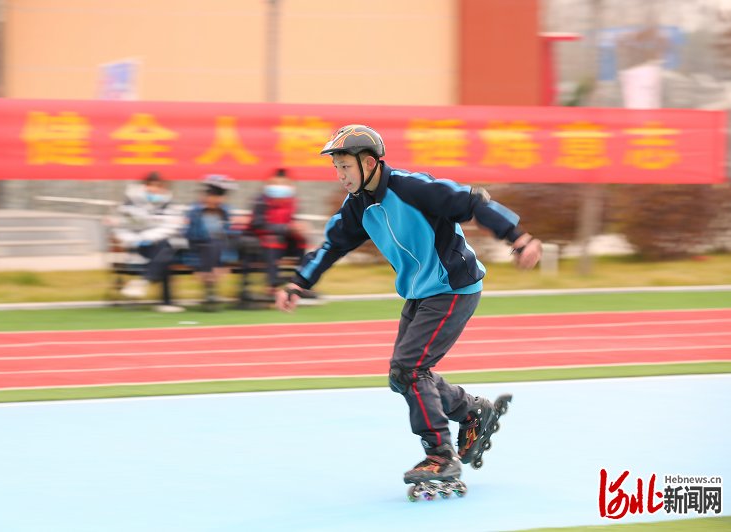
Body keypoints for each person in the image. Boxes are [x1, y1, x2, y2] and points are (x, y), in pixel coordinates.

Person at [275, 125, 542, 486]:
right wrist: (298, 282)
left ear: (368, 162)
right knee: (404, 376)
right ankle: (473, 412)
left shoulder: (412, 187)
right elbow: (330, 246)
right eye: (336, 168)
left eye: (345, 167)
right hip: (420, 293)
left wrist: (518, 237)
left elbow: (473, 201)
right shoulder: (357, 208)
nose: (340, 176)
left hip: (452, 286)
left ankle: (440, 455)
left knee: (410, 368)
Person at [112, 171, 187, 312]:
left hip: (159, 244)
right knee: (166, 254)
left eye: (158, 186)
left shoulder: (168, 204)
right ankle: (166, 301)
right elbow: (128, 224)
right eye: (151, 185)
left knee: (166, 251)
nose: (154, 189)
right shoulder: (131, 202)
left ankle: (144, 282)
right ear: (145, 186)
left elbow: (172, 225)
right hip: (140, 245)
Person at [248, 168, 307, 296]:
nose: (280, 187)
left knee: (301, 240)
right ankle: (272, 286)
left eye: (284, 184)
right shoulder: (261, 201)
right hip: (263, 241)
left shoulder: (291, 202)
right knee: (272, 241)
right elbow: (257, 224)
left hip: (285, 240)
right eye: (277, 183)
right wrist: (285, 228)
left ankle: (302, 283)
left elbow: (292, 221)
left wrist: (298, 228)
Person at [185, 174, 237, 309]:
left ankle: (209, 287)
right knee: (212, 243)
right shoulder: (195, 211)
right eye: (213, 196)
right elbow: (190, 234)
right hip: (198, 246)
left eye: (220, 196)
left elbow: (229, 232)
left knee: (217, 243)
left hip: (219, 248)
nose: (216, 200)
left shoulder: (224, 211)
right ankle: (211, 286)